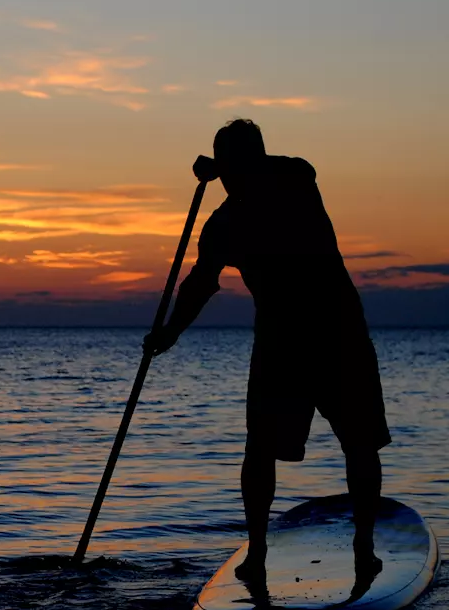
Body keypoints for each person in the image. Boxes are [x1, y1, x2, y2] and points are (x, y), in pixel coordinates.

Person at [145, 119, 390, 583]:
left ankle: (364, 547)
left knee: (359, 443)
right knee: (259, 450)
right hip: (281, 344)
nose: (232, 174)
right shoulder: (224, 224)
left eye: (235, 163)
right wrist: (170, 332)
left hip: (338, 333)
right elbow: (200, 284)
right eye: (227, 164)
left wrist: (222, 165)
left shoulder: (294, 180)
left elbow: (298, 167)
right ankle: (256, 553)